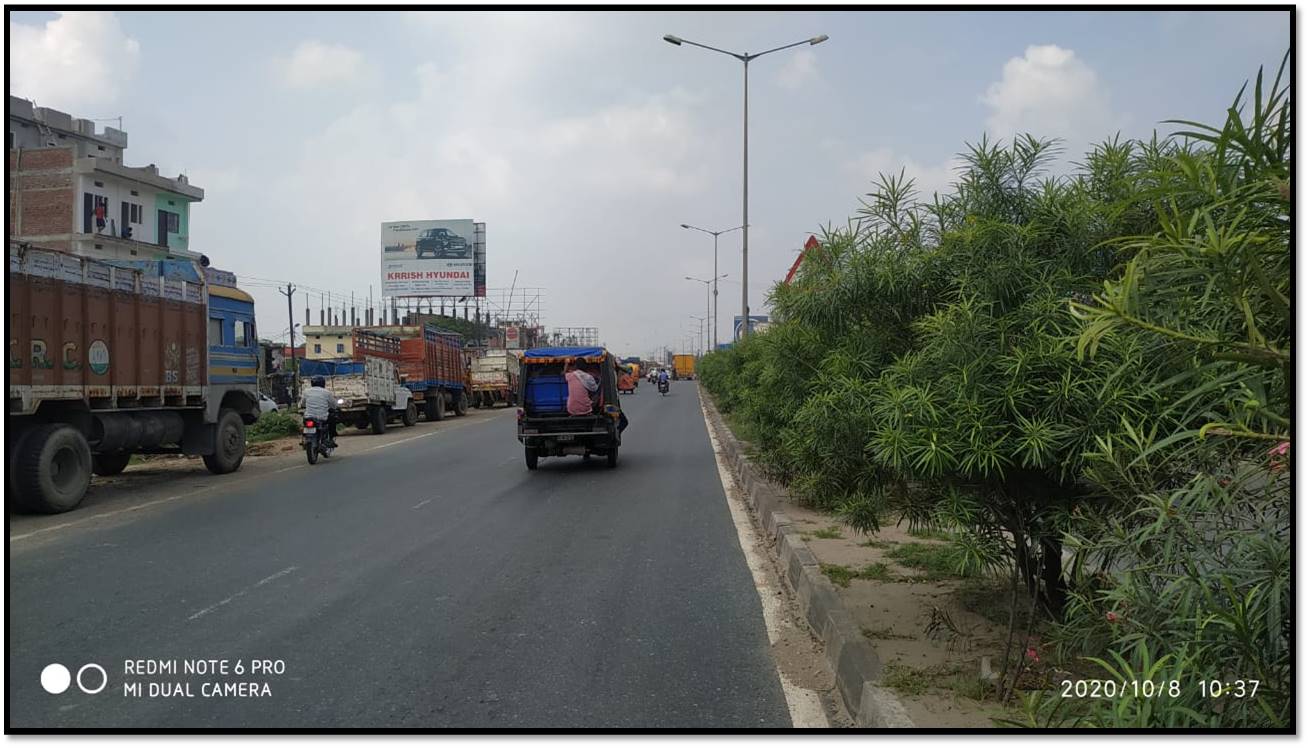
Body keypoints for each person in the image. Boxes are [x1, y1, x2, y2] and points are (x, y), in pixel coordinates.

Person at [301, 375, 339, 446]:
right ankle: (331, 438)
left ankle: (304, 439)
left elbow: (302, 403)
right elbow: (334, 405)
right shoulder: (327, 392)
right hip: (322, 417)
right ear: (323, 383)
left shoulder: (306, 392)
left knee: (304, 422)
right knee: (332, 419)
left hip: (309, 417)